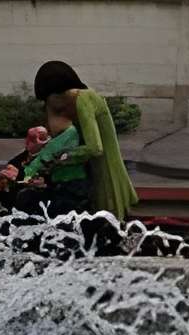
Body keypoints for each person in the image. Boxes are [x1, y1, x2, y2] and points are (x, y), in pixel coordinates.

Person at [31, 62, 137, 226]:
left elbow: (95, 148)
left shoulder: (83, 100)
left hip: (104, 168)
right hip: (91, 169)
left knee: (105, 218)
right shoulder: (75, 101)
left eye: (48, 99)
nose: (49, 106)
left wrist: (63, 157)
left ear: (56, 93)